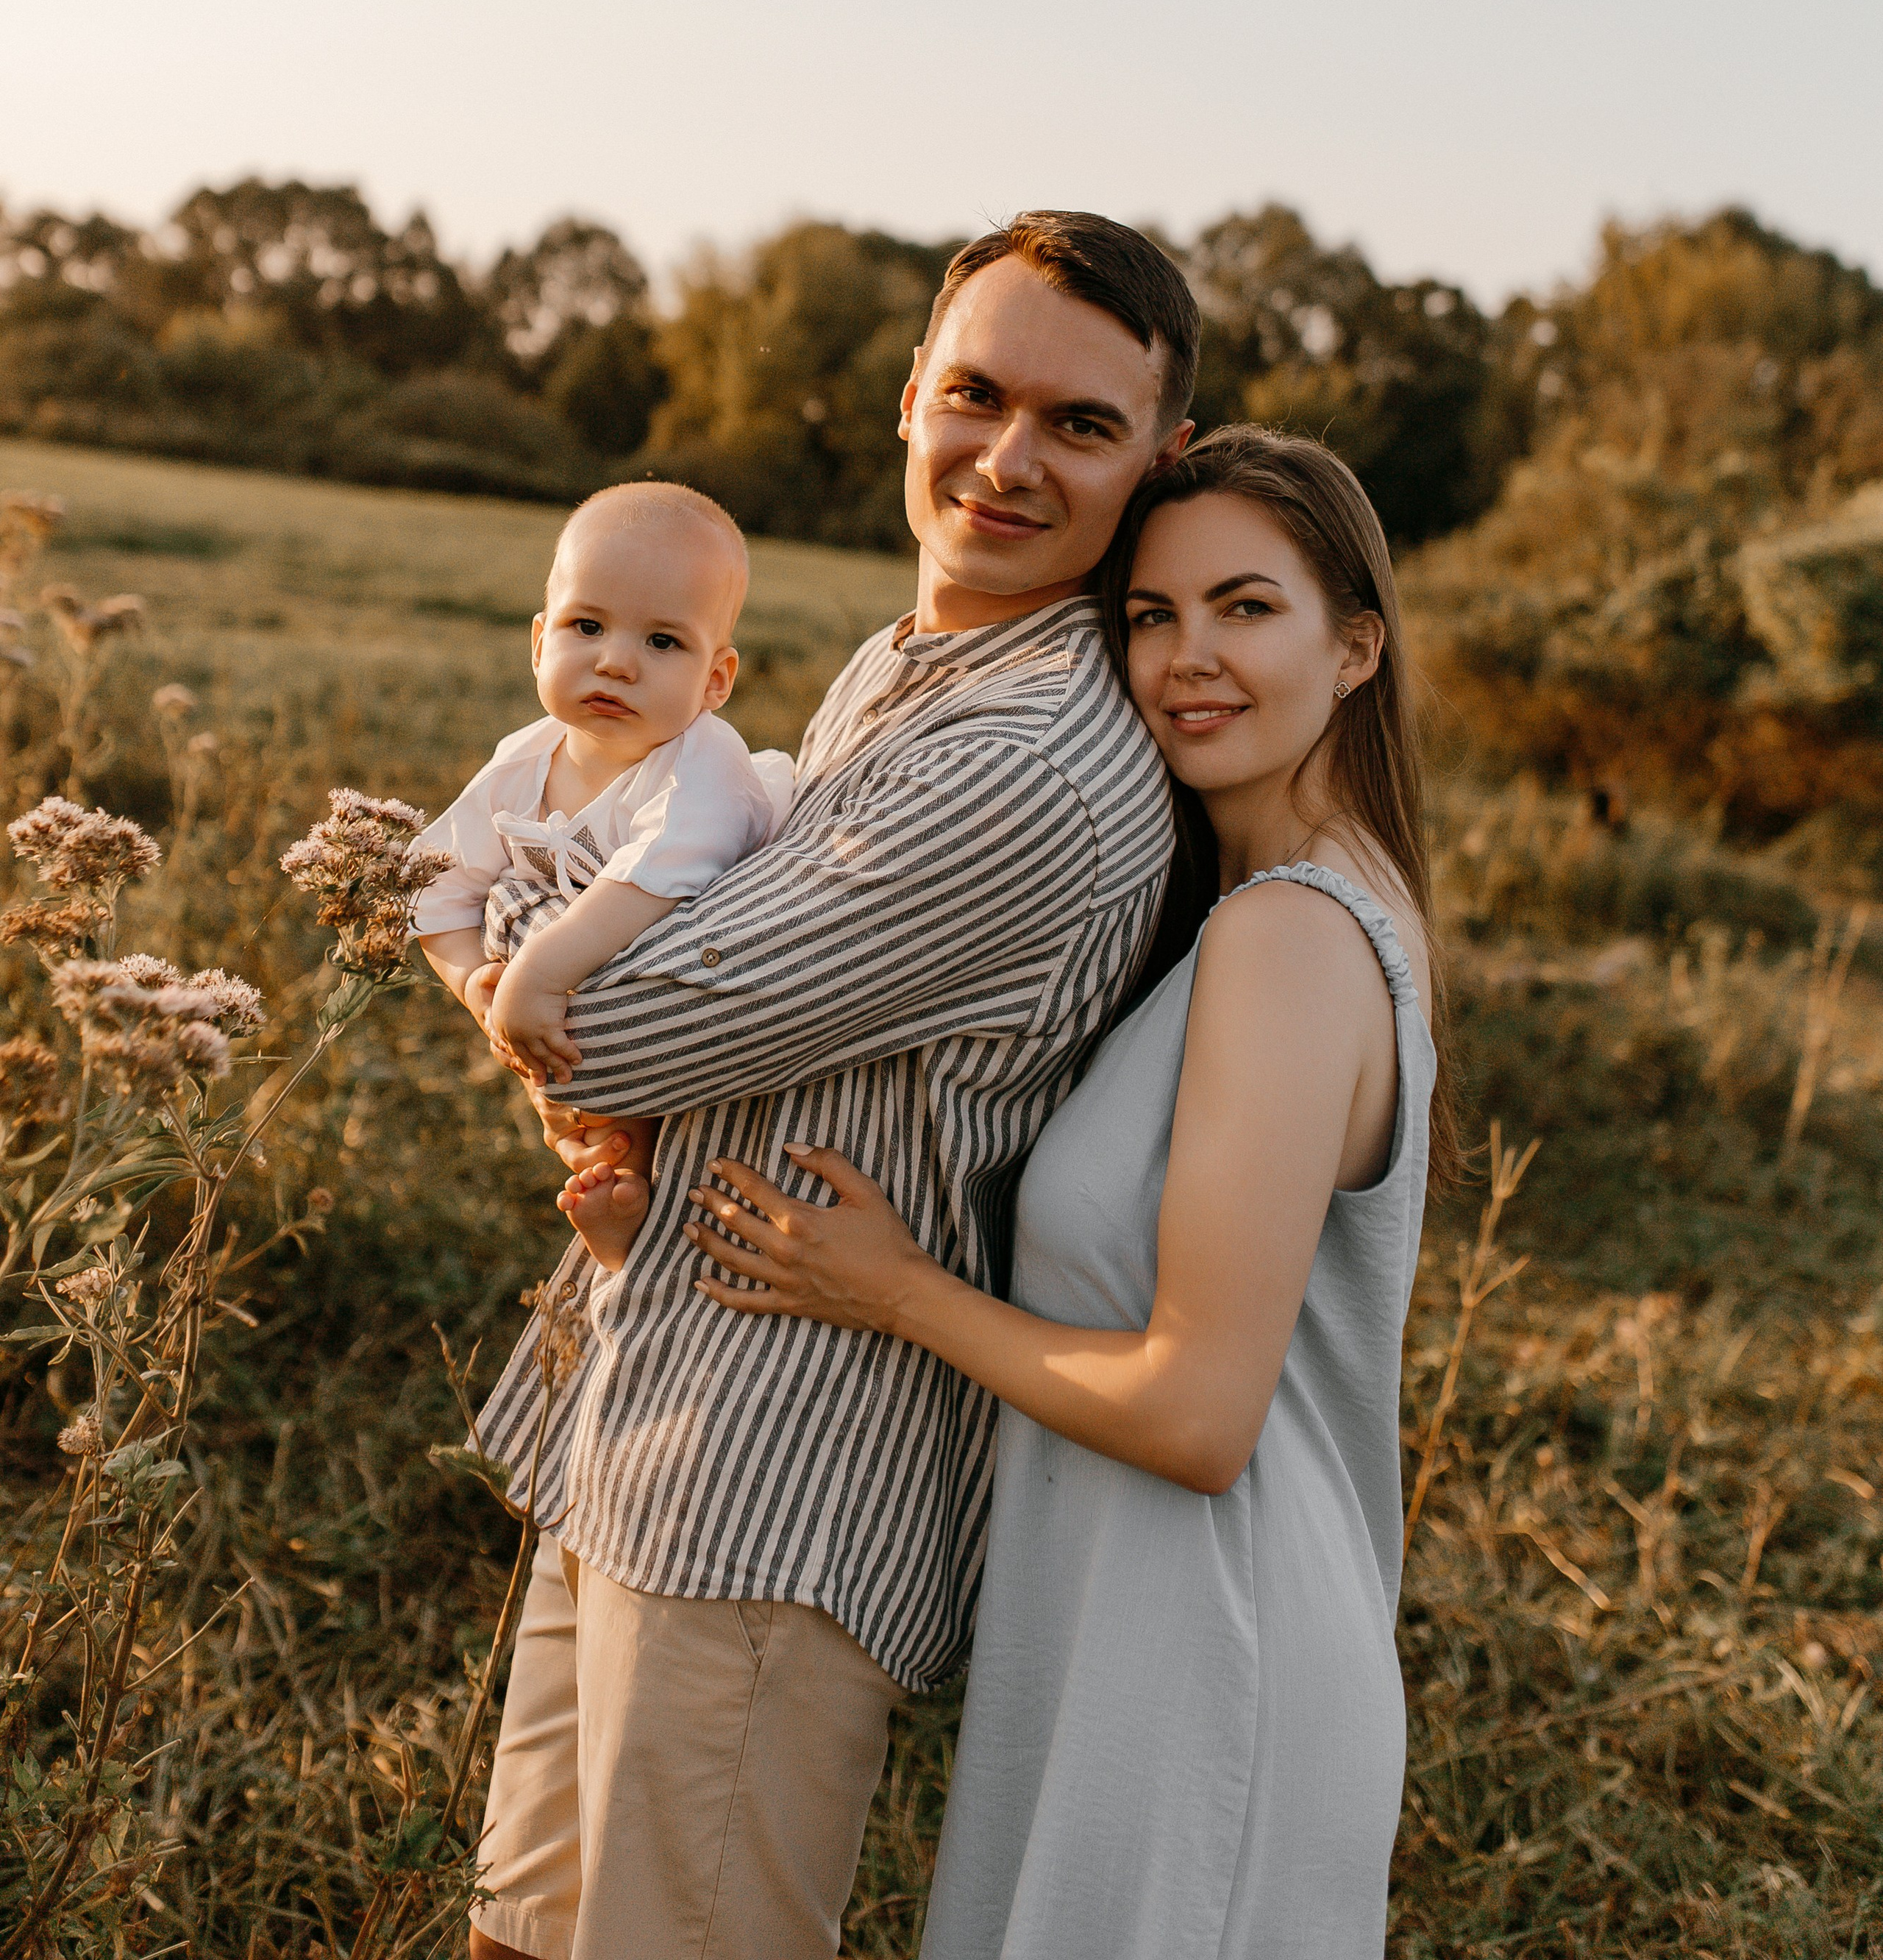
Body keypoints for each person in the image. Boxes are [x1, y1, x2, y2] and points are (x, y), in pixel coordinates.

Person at [465, 213, 1201, 1960]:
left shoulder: (1027, 755)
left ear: (1155, 464)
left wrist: (503, 910)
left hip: (777, 1478)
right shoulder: (908, 663)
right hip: (650, 1393)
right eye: (976, 393)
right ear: (907, 400)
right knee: (519, 1928)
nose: (1006, 458)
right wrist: (555, 931)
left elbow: (616, 1024)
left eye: (1079, 425)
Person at [689, 426, 1462, 1959]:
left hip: (1205, 1657)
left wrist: (894, 1287)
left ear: (1354, 645)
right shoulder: (1277, 914)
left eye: (1245, 608)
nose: (1188, 658)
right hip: (1139, 1636)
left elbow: (1194, 1412)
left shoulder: (1291, 938)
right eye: (1150, 616)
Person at [410, 482, 794, 1266]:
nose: (616, 661)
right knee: (513, 914)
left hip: (718, 977)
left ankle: (636, 1178)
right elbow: (437, 891)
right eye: (587, 626)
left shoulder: (704, 764)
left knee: (568, 939)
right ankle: (610, 1178)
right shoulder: (522, 763)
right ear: (539, 642)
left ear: (716, 681)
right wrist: (474, 980)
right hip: (594, 1000)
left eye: (663, 643)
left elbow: (653, 883)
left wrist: (537, 976)